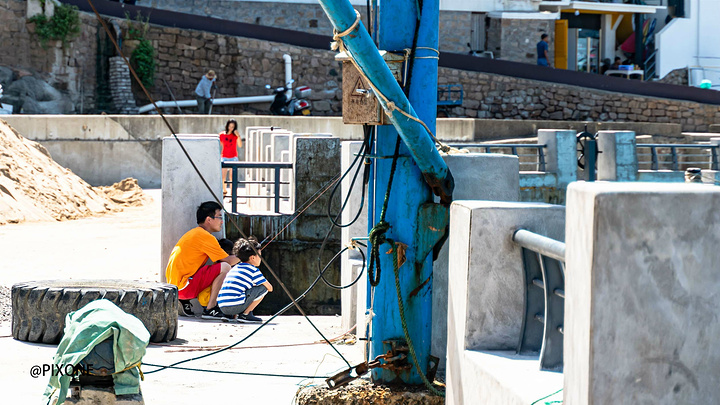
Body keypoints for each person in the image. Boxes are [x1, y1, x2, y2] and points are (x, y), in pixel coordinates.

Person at [165, 201, 240, 319]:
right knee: (225, 267)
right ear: (209, 220)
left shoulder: (194, 233)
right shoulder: (205, 237)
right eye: (219, 217)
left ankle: (185, 302)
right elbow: (228, 261)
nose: (222, 221)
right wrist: (247, 254)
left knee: (211, 269)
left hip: (174, 288)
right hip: (183, 287)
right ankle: (210, 309)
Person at [217, 237, 273, 323]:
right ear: (252, 258)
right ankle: (245, 315)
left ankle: (229, 316)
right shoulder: (253, 270)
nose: (261, 258)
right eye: (259, 256)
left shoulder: (234, 268)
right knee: (263, 288)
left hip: (222, 307)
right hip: (234, 306)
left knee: (240, 289)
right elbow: (270, 288)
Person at [220, 119, 241, 196]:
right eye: (230, 126)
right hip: (224, 157)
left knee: (232, 177)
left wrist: (238, 136)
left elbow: (240, 145)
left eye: (233, 127)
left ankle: (233, 195)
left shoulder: (235, 136)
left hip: (233, 157)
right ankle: (224, 190)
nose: (231, 128)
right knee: (222, 177)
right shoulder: (222, 135)